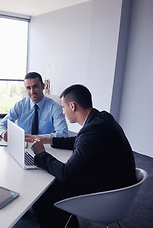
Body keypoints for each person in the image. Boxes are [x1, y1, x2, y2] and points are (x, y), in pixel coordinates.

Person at [29, 84, 137, 228]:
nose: (62, 112)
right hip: (121, 188)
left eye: (63, 107)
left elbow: (66, 174)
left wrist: (41, 154)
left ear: (72, 106)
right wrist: (49, 140)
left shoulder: (92, 131)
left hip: (108, 197)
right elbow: (79, 140)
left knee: (44, 193)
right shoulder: (102, 118)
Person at [0, 72, 68, 141]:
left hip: (46, 147)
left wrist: (34, 138)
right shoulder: (20, 105)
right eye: (28, 88)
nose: (32, 91)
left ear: (43, 86)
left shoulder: (55, 107)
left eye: (35, 87)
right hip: (23, 146)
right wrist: (3, 133)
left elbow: (63, 134)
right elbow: (1, 125)